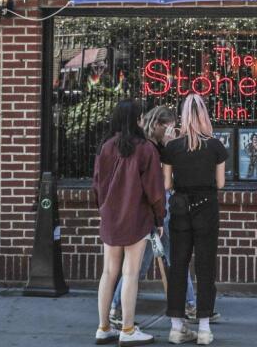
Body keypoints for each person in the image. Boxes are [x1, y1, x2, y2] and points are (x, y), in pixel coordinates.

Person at [109, 106, 201, 328]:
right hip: (158, 208)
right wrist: (171, 147)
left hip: (158, 210)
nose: (171, 131)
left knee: (160, 260)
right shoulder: (149, 146)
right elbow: (161, 178)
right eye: (168, 127)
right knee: (165, 259)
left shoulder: (152, 144)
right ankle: (190, 304)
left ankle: (116, 306)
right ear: (158, 125)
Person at [92, 100, 165, 346]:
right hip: (137, 217)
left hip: (110, 217)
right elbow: (155, 191)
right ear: (137, 120)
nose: (143, 120)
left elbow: (97, 184)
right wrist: (159, 217)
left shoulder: (106, 147)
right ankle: (128, 329)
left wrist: (103, 209)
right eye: (141, 117)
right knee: (130, 274)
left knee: (108, 272)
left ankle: (103, 327)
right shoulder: (146, 149)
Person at [163, 94, 228, 345]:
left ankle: (176, 326)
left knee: (178, 266)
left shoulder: (172, 148)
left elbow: (167, 185)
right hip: (206, 207)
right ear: (203, 115)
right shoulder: (215, 146)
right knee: (205, 267)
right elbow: (220, 184)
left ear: (183, 116)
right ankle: (203, 328)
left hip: (180, 208)